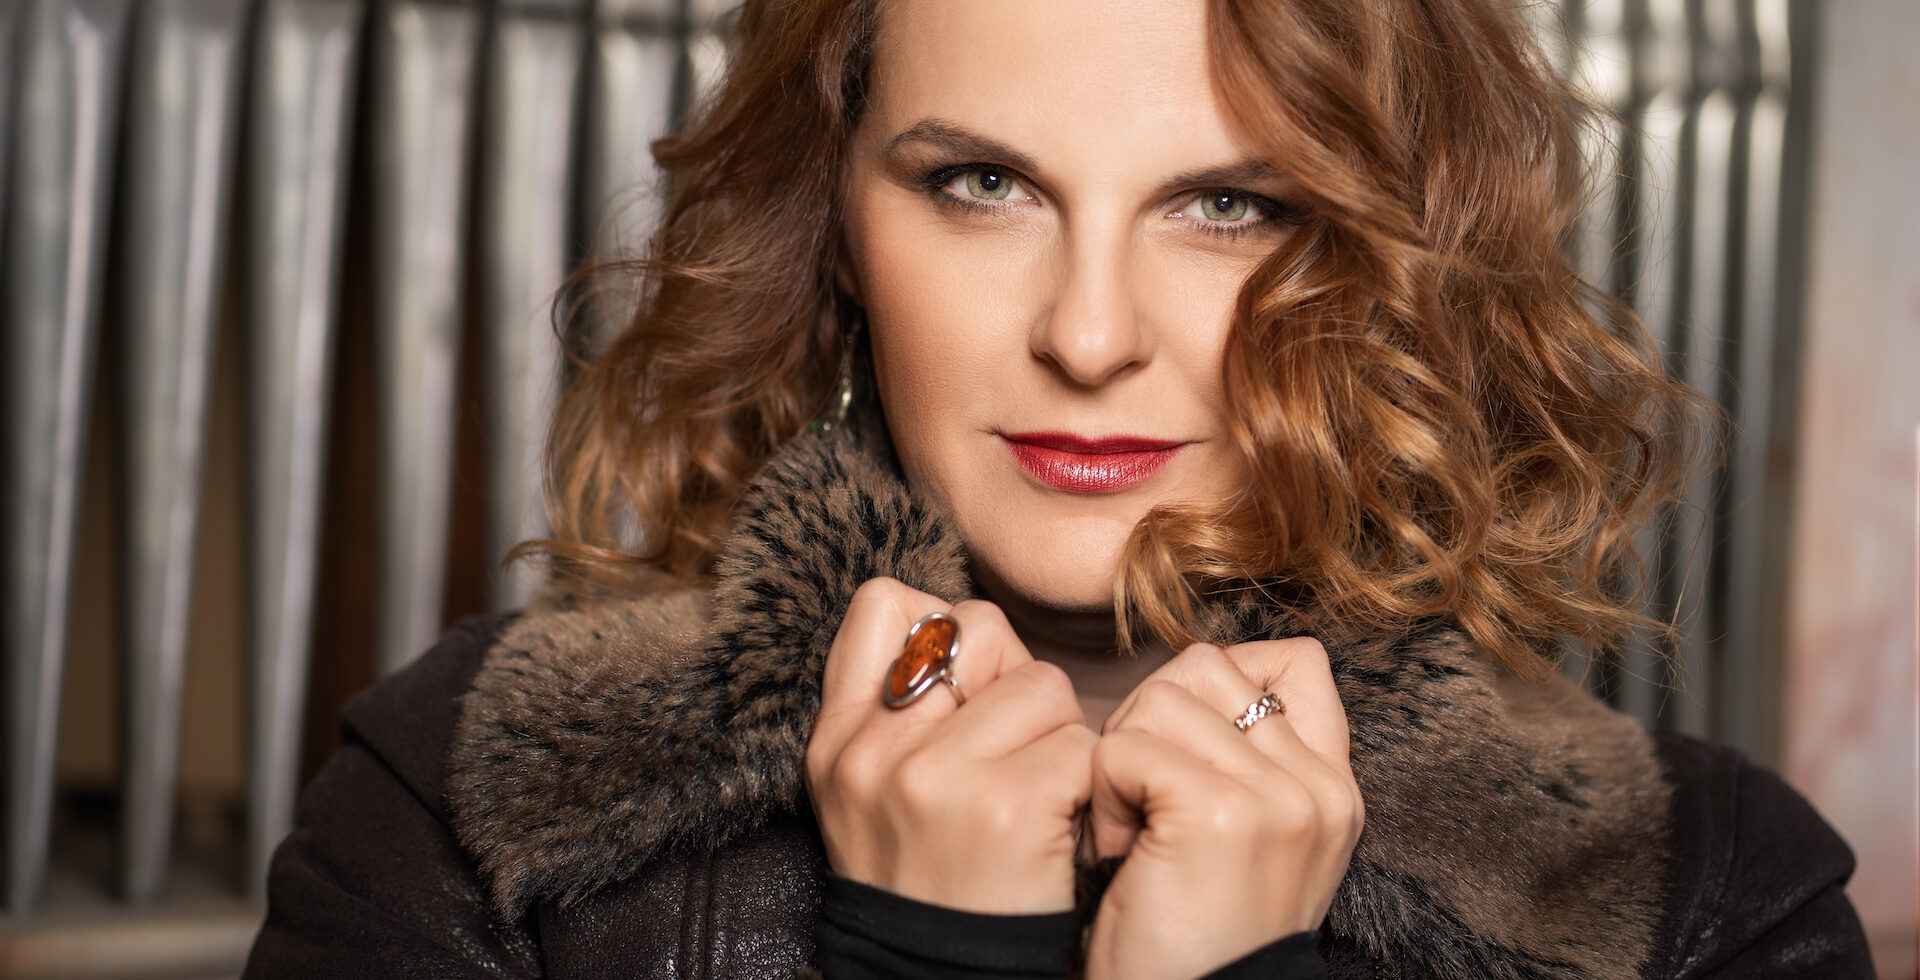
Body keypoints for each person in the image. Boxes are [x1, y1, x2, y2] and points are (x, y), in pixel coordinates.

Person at [243, 0, 1876, 977]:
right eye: (982, 183)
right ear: (835, 228)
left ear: (1399, 257)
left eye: (1230, 205)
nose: (1089, 337)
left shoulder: (1704, 901)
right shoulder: (476, 809)